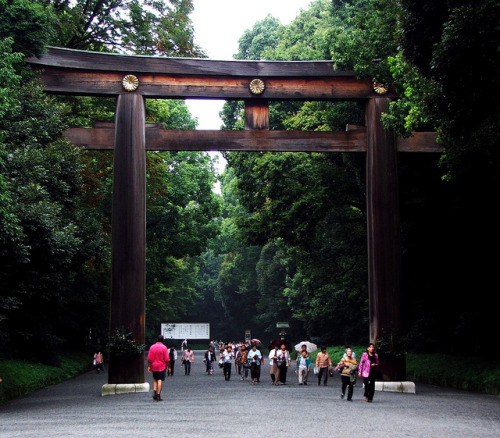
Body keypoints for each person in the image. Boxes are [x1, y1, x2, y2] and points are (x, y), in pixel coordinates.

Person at [147, 335, 170, 401]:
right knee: (160, 379)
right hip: (161, 366)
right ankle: (158, 395)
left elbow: (149, 358)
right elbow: (167, 359)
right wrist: (169, 367)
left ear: (157, 339)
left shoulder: (152, 347)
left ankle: (154, 390)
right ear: (163, 340)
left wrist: (149, 366)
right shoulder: (164, 347)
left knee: (155, 379)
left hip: (154, 365)